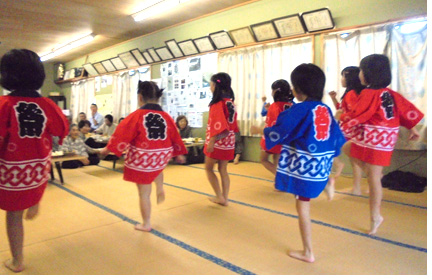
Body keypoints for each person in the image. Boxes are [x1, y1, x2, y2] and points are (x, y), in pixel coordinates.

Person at [263, 64, 346, 263]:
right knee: (305, 197)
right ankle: (327, 181)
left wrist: (262, 131)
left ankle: (308, 252)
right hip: (321, 165)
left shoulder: (301, 109)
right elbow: (336, 136)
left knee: (302, 208)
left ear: (299, 88)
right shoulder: (324, 108)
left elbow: (281, 129)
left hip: (305, 168)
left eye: (294, 86)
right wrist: (334, 159)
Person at [338, 54, 423, 235]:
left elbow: (357, 114)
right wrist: (412, 128)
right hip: (382, 136)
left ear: (368, 73)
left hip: (376, 136)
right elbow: (405, 110)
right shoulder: (389, 93)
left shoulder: (370, 93)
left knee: (374, 178)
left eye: (361, 70)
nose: (359, 73)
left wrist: (342, 118)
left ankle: (376, 216)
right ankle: (373, 175)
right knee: (347, 148)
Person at [0, 49, 69, 272]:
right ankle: (33, 202)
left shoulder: (5, 104)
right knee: (33, 190)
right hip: (39, 169)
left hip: (13, 172)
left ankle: (17, 261)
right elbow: (62, 129)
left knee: (13, 215)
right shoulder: (49, 105)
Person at [100, 81, 187, 232]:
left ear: (140, 97)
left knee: (144, 193)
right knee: (157, 168)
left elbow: (121, 135)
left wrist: (107, 149)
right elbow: (175, 135)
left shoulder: (136, 116)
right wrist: (178, 154)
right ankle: (159, 187)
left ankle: (146, 223)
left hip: (144, 157)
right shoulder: (166, 116)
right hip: (162, 155)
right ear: (158, 98)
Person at [328, 66, 366, 195]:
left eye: (343, 76)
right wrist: (334, 99)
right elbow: (343, 109)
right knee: (355, 158)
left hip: (351, 130)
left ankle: (358, 187)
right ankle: (359, 186)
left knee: (355, 158)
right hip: (354, 129)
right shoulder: (354, 93)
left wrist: (340, 116)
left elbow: (351, 112)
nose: (341, 79)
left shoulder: (351, 94)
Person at [204, 72, 239, 206]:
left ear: (215, 86)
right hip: (229, 140)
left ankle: (219, 196)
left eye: (211, 85)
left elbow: (219, 125)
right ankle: (225, 197)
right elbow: (233, 125)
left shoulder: (217, 103)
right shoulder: (230, 102)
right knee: (223, 169)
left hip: (218, 139)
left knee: (208, 168)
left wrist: (212, 141)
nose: (210, 88)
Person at [251, 79, 294, 177]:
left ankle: (280, 177)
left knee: (263, 159)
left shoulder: (275, 106)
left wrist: (259, 130)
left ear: (275, 92)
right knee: (277, 160)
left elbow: (273, 124)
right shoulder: (291, 105)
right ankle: (278, 181)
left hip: (273, 138)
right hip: (286, 139)